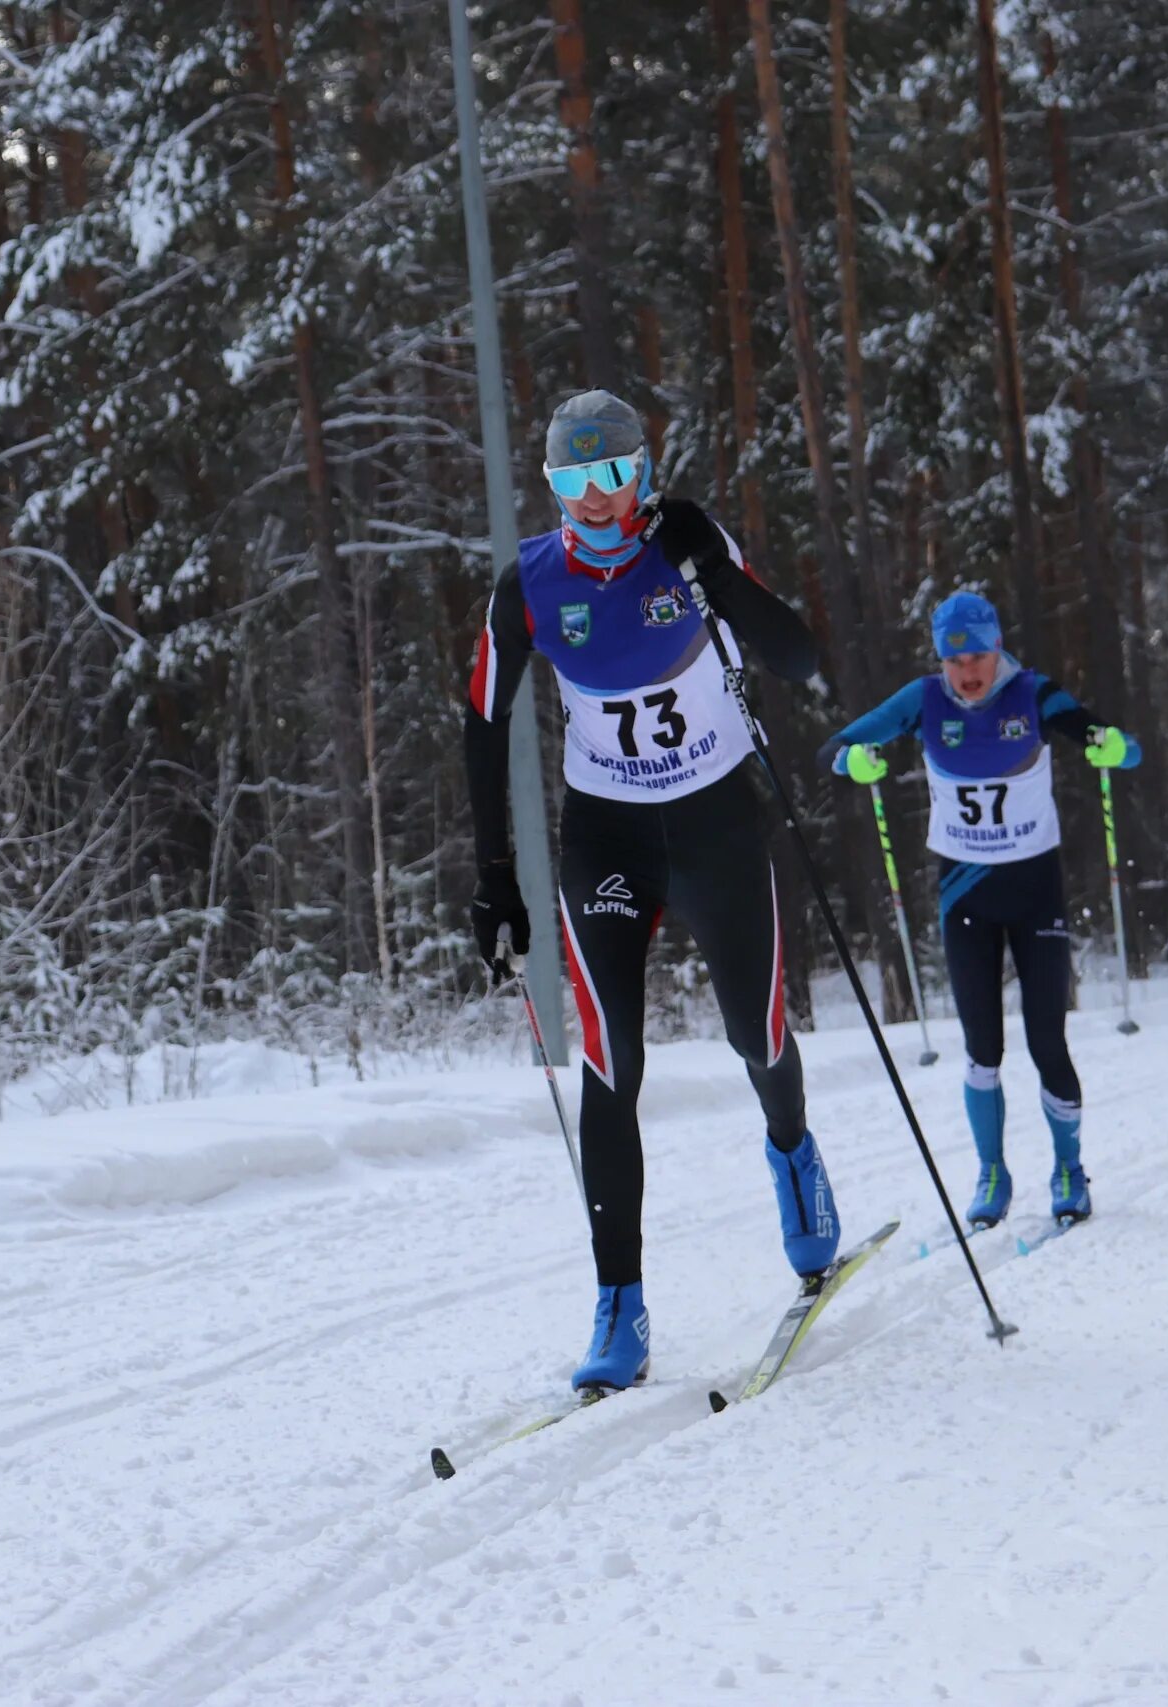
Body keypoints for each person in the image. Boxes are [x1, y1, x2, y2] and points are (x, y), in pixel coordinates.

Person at [463, 390, 831, 1392]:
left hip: (714, 820)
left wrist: (710, 568)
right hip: (608, 836)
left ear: (642, 472)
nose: (594, 497)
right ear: (552, 488)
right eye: (571, 480)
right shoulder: (530, 583)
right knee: (610, 1059)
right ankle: (618, 1301)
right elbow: (483, 724)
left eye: (611, 474)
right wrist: (494, 878)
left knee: (753, 1033)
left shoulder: (687, 540)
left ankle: (794, 1157)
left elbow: (798, 658)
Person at [816, 592, 1140, 1229]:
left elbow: (1105, 737)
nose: (968, 670)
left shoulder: (1033, 694)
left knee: (1048, 1039)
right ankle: (992, 1171)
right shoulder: (923, 701)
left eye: (979, 655)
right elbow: (835, 745)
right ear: (942, 659)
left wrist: (1115, 750)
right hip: (965, 897)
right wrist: (851, 759)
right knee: (981, 1048)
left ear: (998, 649)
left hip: (1035, 889)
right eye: (955, 658)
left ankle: (1069, 1168)